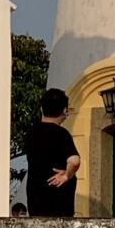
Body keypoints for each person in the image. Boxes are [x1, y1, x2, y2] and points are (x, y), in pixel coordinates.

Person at [22, 88, 82, 217]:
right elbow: (74, 161)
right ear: (64, 110)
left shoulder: (32, 133)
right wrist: (66, 175)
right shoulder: (62, 134)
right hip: (59, 202)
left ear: (42, 109)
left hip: (36, 200)